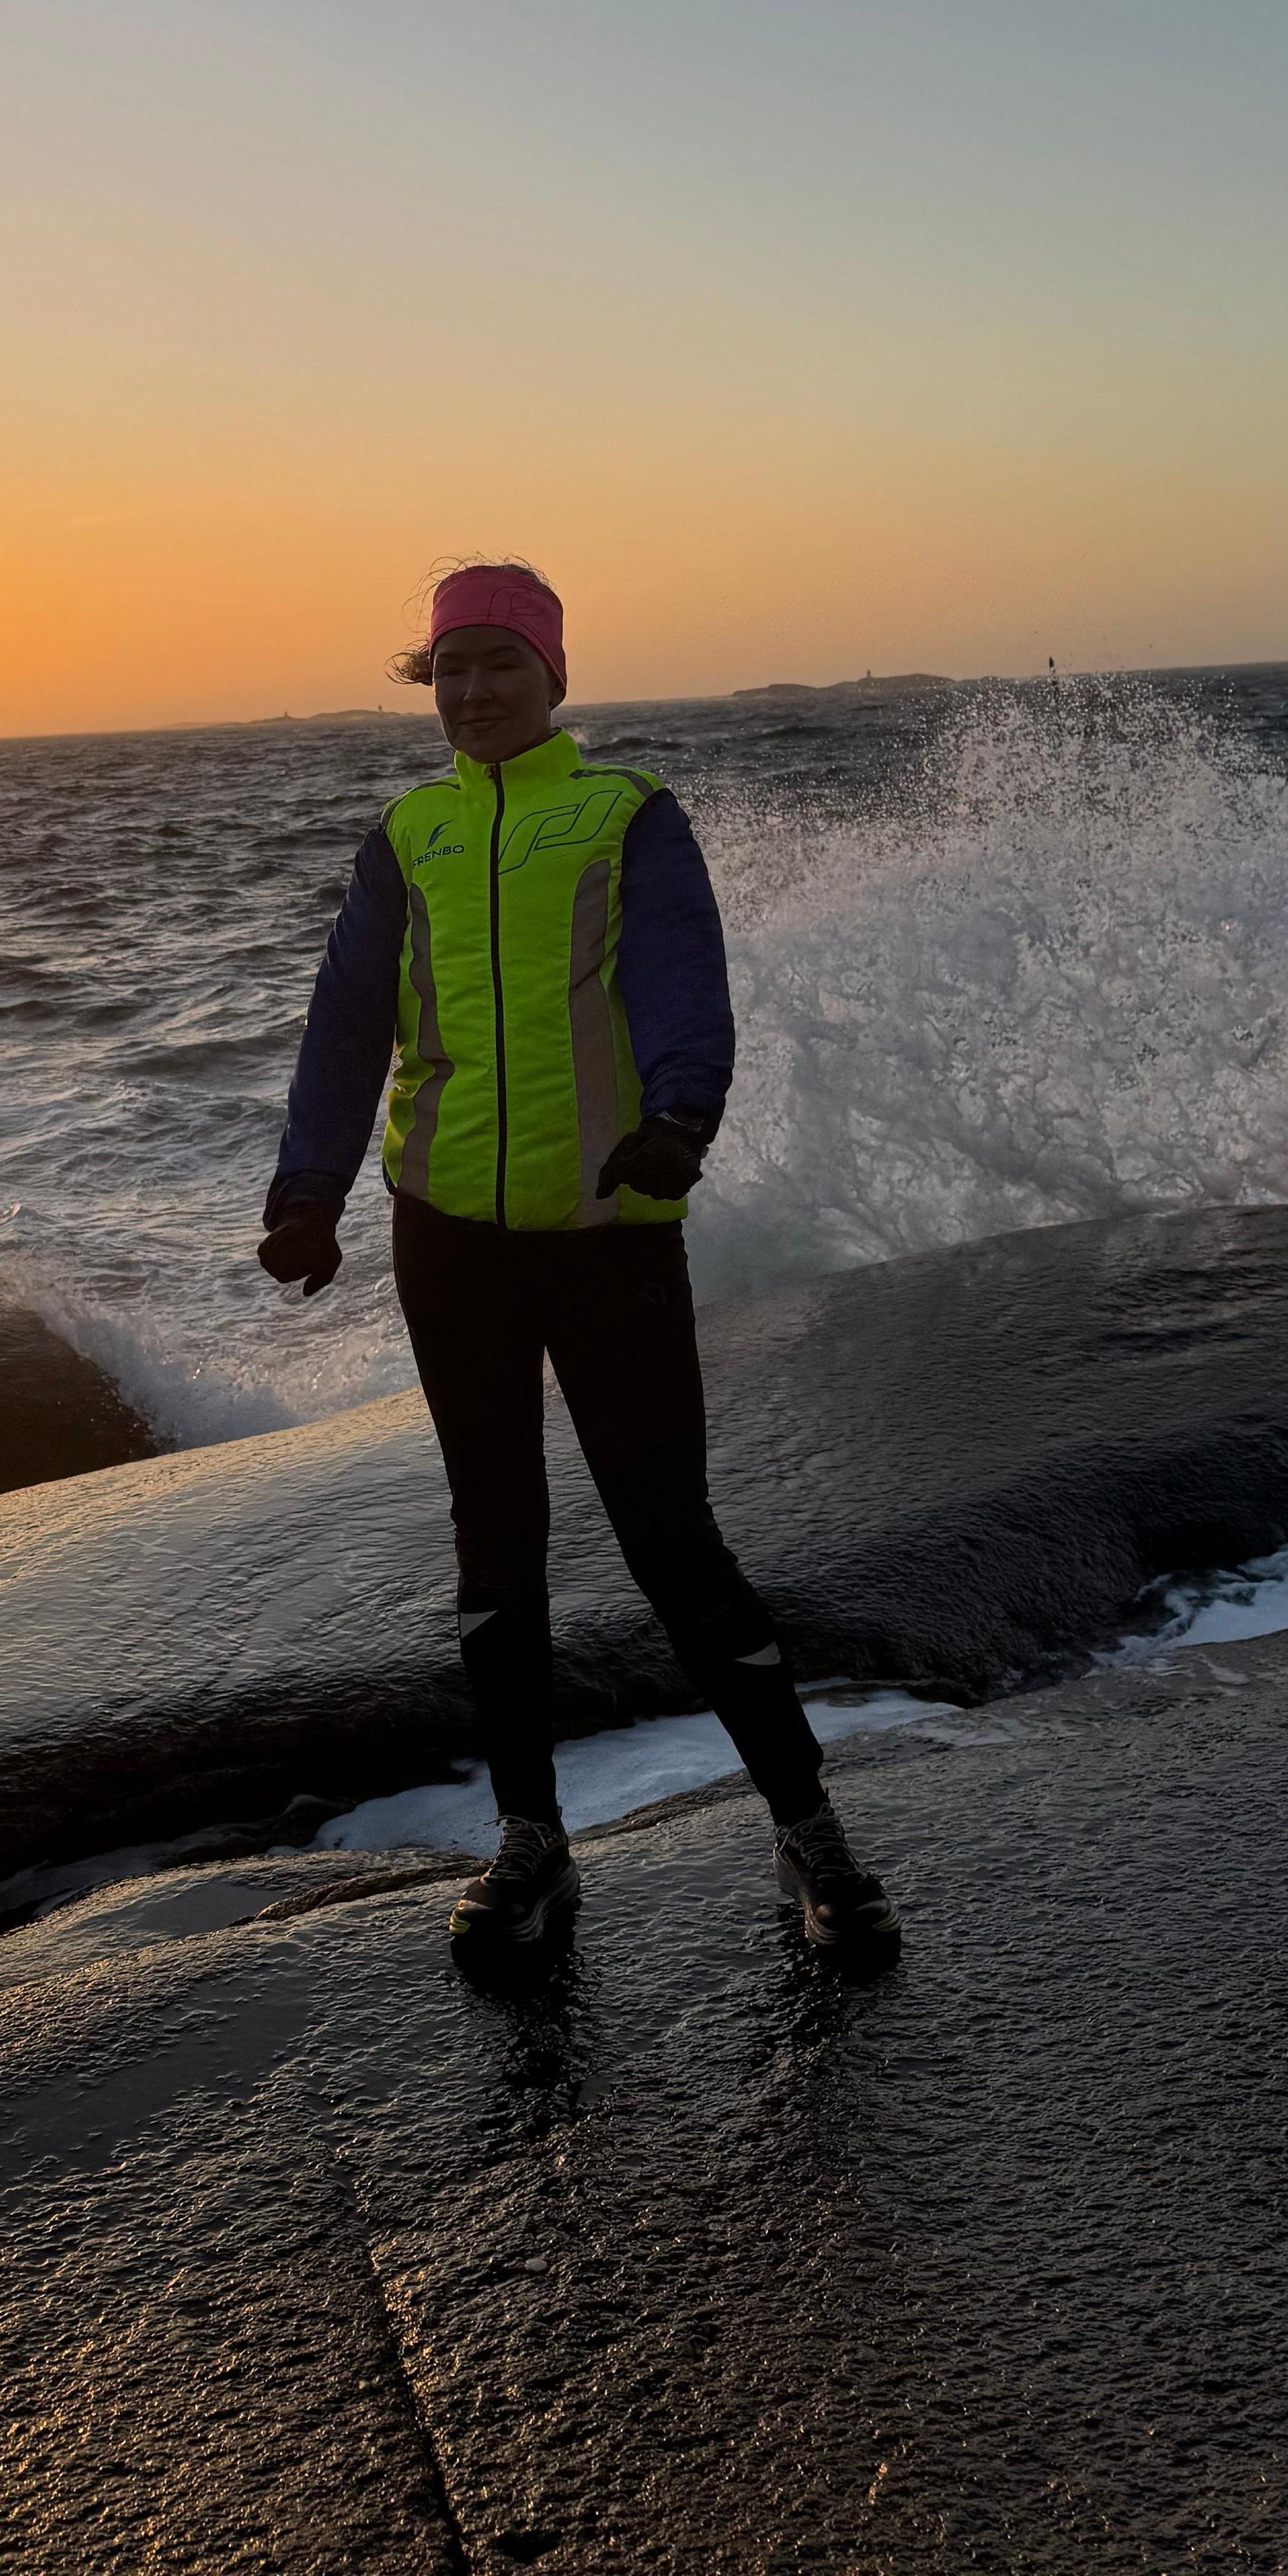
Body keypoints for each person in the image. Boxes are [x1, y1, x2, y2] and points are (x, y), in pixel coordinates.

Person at [258, 558, 901, 1976]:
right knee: (495, 1544)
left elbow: (683, 976)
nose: (475, 691)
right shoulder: (407, 837)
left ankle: (813, 1838)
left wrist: (682, 1116)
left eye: (502, 663)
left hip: (611, 1230)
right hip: (450, 1237)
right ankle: (531, 1843)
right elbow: (346, 1025)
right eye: (453, 670)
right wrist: (308, 1193)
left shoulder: (626, 816)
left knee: (674, 1543)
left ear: (557, 676)